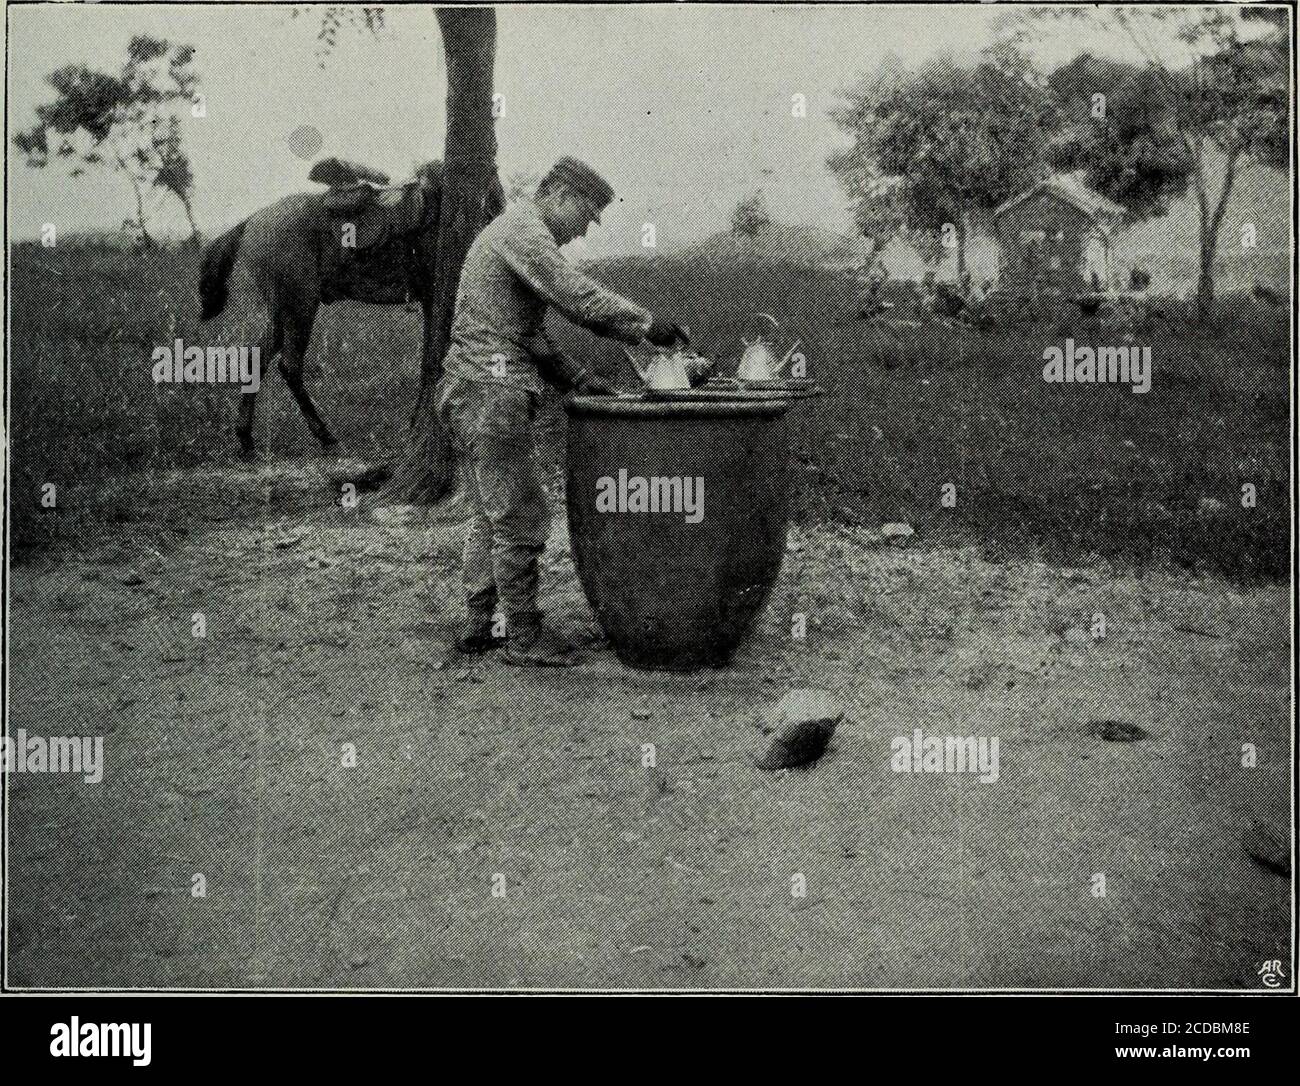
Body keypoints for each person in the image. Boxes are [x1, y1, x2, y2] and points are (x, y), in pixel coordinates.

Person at [435, 157, 689, 666]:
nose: (586, 228)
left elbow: (527, 334)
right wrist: (648, 325)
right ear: (558, 194)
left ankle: (480, 624)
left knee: (492, 512)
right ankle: (524, 638)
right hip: (491, 389)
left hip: (475, 386)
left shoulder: (513, 234)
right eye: (588, 213)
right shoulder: (524, 231)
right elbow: (577, 298)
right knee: (520, 514)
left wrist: (579, 379)